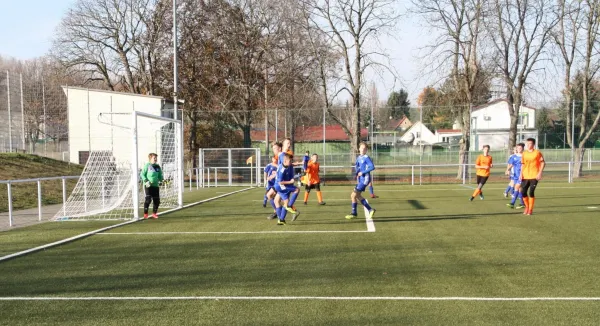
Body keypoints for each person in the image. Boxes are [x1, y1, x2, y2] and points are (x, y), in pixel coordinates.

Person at [345, 142, 376, 219]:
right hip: (361, 179)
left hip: (365, 179)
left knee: (353, 195)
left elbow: (372, 167)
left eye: (364, 148)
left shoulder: (366, 157)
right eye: (362, 148)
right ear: (359, 149)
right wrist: (357, 175)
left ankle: (354, 213)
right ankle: (370, 209)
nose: (363, 149)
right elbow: (358, 168)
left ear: (366, 150)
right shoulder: (359, 158)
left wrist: (363, 172)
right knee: (357, 196)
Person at [520, 138, 545, 216]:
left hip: (534, 175)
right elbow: (523, 164)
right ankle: (526, 207)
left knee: (531, 192)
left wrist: (540, 173)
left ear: (533, 144)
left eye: (530, 143)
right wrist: (521, 174)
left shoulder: (537, 153)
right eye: (527, 143)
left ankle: (530, 209)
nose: (528, 145)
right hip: (525, 175)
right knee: (523, 192)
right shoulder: (524, 153)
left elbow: (543, 163)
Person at [274, 153, 300, 225]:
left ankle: (281, 220)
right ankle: (290, 206)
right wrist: (290, 181)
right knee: (297, 189)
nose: (291, 162)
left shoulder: (285, 165)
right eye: (289, 161)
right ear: (285, 161)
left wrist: (300, 163)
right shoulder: (282, 170)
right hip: (280, 186)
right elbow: (280, 182)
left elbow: (292, 164)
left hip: (279, 186)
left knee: (285, 202)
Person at [140, 153, 164, 219]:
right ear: (150, 158)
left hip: (155, 186)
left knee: (157, 200)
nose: (155, 159)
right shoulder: (147, 165)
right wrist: (146, 181)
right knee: (148, 199)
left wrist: (162, 180)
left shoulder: (157, 166)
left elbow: (160, 176)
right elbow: (142, 174)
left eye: (156, 158)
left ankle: (154, 213)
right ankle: (145, 213)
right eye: (154, 158)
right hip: (148, 185)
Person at [266, 142, 282, 220]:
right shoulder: (277, 156)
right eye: (273, 149)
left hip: (282, 182)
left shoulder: (282, 156)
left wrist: (274, 166)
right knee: (273, 197)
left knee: (275, 199)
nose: (274, 150)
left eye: (275, 148)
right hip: (278, 181)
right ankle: (277, 213)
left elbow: (282, 168)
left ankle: (279, 214)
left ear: (280, 148)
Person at [506, 143, 526, 209]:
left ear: (523, 148)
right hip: (515, 175)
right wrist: (508, 170)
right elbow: (511, 164)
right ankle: (522, 203)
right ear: (516, 149)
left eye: (521, 148)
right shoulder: (513, 156)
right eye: (518, 148)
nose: (519, 149)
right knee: (520, 189)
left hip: (522, 175)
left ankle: (512, 203)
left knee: (516, 187)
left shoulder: (525, 156)